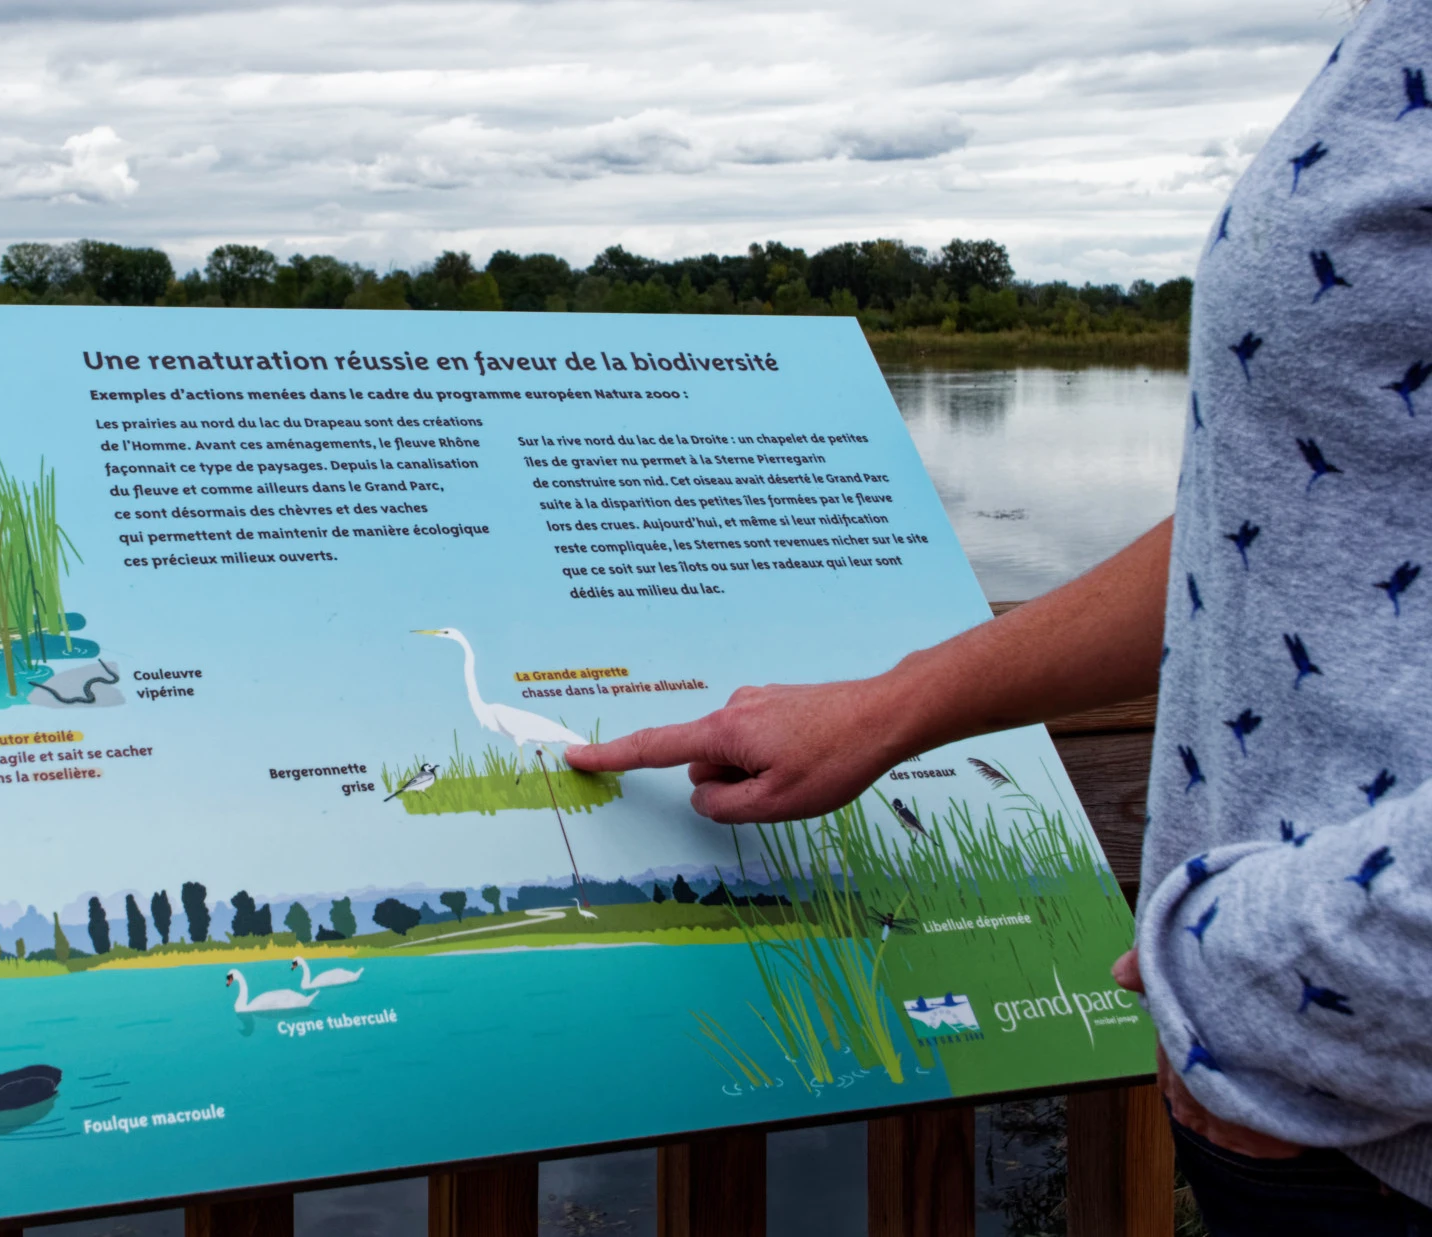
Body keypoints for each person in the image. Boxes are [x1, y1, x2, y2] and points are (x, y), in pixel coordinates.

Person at [568, 2, 1432, 1229]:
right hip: (1322, 1085)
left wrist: (1253, 977)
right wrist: (896, 704)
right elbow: (1298, 515)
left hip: (1357, 1081)